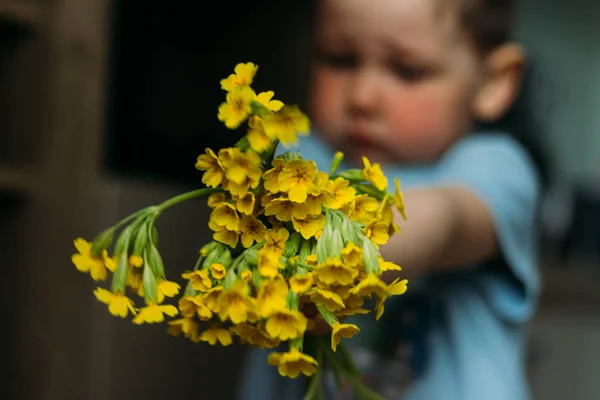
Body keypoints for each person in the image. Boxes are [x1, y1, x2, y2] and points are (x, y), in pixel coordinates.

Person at [237, 0, 545, 398]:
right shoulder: (295, 156)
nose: (363, 97)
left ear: (494, 82)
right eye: (340, 59)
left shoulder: (494, 167)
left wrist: (339, 253)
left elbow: (445, 220)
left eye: (407, 70)